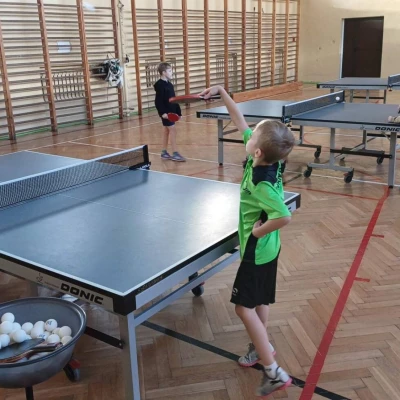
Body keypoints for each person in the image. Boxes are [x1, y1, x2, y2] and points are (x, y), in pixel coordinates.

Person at [200, 85, 295, 397]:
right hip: (271, 248)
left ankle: (273, 372)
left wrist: (256, 233)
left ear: (257, 151)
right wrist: (222, 92)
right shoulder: (270, 159)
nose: (248, 133)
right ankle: (259, 346)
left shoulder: (259, 181)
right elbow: (239, 118)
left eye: (253, 135)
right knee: (260, 301)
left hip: (258, 249)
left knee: (243, 308)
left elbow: (284, 216)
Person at [154, 63, 186, 162]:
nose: (172, 72)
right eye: (170, 71)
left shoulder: (170, 85)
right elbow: (158, 101)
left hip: (171, 113)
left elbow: (173, 100)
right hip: (166, 114)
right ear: (164, 72)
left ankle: (164, 152)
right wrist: (162, 113)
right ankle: (175, 153)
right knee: (173, 130)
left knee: (166, 131)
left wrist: (178, 113)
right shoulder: (159, 85)